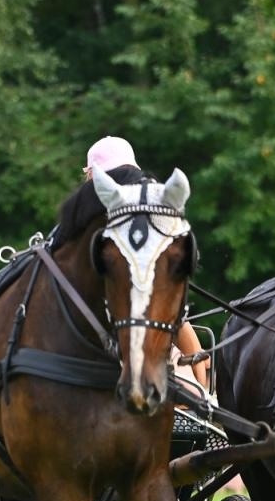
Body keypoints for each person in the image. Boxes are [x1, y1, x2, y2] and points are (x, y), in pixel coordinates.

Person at [83, 136, 210, 391]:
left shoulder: (90, 226)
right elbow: (171, 310)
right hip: (153, 348)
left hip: (97, 355)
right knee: (193, 396)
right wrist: (200, 376)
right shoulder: (154, 218)